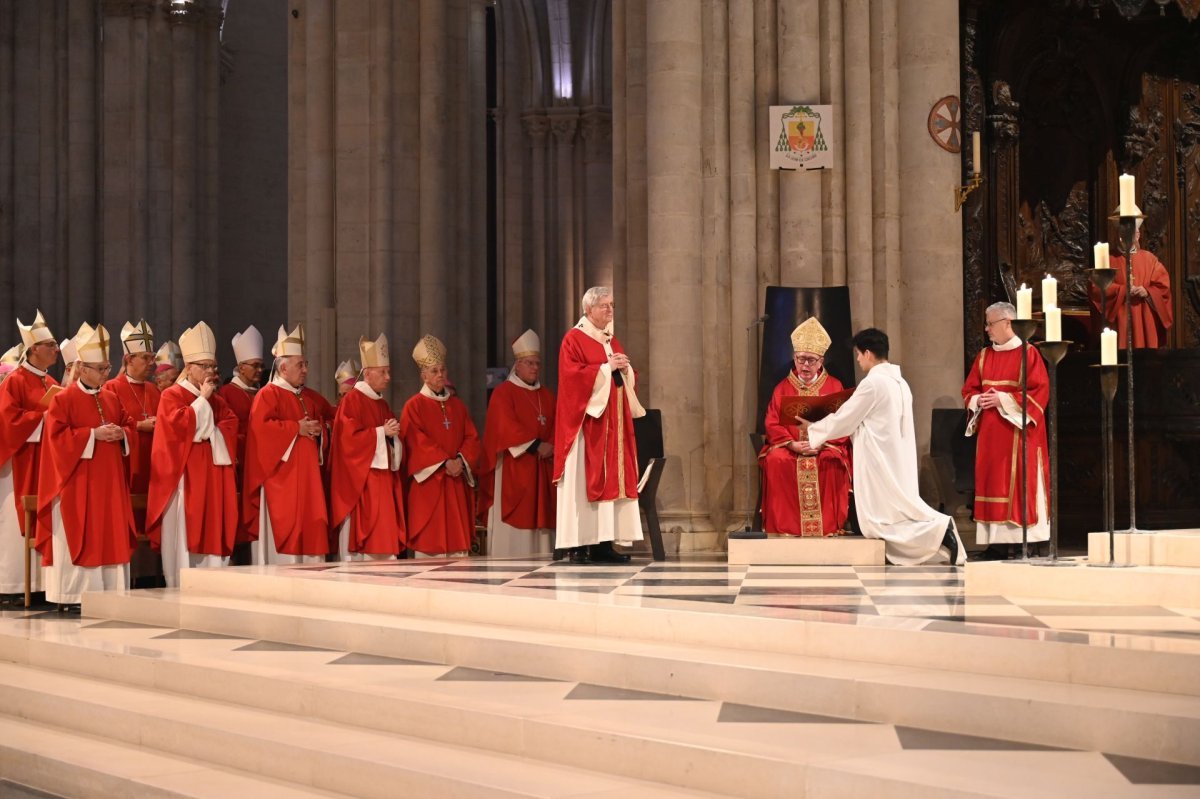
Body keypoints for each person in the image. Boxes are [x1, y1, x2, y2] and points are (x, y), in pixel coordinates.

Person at [799, 328, 964, 566]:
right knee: (895, 512)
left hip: (878, 459)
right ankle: (936, 533)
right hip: (896, 456)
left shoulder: (873, 383)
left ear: (868, 353)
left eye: (858, 354)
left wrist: (814, 428)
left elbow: (845, 418)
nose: (858, 360)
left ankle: (939, 529)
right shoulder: (900, 382)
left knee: (880, 518)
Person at [35, 323, 138, 610]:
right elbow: (56, 439)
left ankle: (111, 593)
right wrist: (93, 435)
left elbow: (129, 425)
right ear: (81, 368)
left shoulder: (111, 397)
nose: (106, 373)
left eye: (107, 368)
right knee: (82, 531)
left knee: (110, 532)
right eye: (101, 368)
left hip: (110, 482)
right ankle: (75, 596)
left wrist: (122, 434)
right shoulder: (63, 399)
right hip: (77, 483)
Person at [553, 286, 645, 565]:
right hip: (586, 428)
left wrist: (625, 370)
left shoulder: (611, 340)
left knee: (611, 483)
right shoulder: (574, 338)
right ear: (588, 309)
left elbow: (623, 379)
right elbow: (571, 377)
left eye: (612, 305)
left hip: (613, 427)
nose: (610, 310)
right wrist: (606, 368)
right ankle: (579, 546)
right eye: (604, 305)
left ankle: (604, 544)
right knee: (583, 483)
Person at [146, 322, 240, 586]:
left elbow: (230, 426)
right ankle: (181, 583)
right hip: (184, 479)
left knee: (213, 525)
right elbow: (177, 429)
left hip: (213, 478)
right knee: (186, 530)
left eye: (213, 367)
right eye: (204, 366)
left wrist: (207, 431)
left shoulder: (218, 401)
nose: (210, 372)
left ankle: (214, 584)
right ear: (188, 368)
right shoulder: (171, 396)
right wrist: (202, 404)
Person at [962, 302, 1050, 560]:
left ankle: (1024, 543)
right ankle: (996, 544)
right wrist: (978, 400)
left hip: (1019, 434)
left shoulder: (1029, 354)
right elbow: (969, 390)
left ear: (1008, 322)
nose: (986, 329)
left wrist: (1003, 399)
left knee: (1019, 484)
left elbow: (1040, 392)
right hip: (989, 435)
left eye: (990, 324)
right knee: (991, 483)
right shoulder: (984, 356)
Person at [242, 324, 332, 564]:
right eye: (300, 365)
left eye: (305, 364)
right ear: (283, 368)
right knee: (286, 534)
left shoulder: (308, 396)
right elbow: (261, 431)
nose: (306, 370)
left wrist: (320, 431)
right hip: (281, 480)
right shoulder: (268, 394)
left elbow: (328, 420)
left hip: (309, 480)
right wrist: (295, 428)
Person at [758, 318, 852, 537]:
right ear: (794, 358)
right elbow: (772, 422)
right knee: (776, 460)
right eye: (801, 359)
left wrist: (820, 443)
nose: (805, 365)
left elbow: (843, 422)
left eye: (811, 360)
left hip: (824, 447)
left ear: (821, 361)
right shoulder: (782, 388)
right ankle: (785, 527)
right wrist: (792, 444)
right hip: (792, 448)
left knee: (833, 460)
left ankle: (828, 525)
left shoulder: (834, 386)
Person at [399, 334, 481, 558]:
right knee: (430, 551)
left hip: (455, 482)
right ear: (423, 375)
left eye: (443, 370)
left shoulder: (458, 406)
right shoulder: (413, 406)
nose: (440, 374)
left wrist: (460, 461)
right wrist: (445, 462)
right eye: (434, 371)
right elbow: (415, 441)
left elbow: (472, 437)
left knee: (458, 552)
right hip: (430, 485)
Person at [480, 329, 556, 557]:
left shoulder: (547, 395)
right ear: (518, 365)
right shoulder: (503, 393)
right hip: (515, 467)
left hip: (543, 467)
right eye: (529, 363)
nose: (535, 368)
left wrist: (551, 445)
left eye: (537, 363)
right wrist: (536, 445)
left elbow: (558, 424)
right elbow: (504, 426)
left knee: (543, 520)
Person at [329, 334, 406, 561]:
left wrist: (392, 437)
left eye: (388, 371)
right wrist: (382, 433)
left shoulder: (382, 403)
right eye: (383, 372)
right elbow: (348, 441)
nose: (388, 377)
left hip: (382, 481)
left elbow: (390, 437)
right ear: (368, 373)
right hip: (362, 483)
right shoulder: (352, 401)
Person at [0, 313, 59, 600]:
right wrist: (42, 418)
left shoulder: (52, 381)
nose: (56, 349)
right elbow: (8, 421)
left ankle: (42, 585)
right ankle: (13, 587)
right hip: (21, 460)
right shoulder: (14, 381)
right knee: (16, 523)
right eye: (50, 345)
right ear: (34, 348)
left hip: (46, 460)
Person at [1089, 218, 1173, 348]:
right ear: (1118, 234)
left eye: (1130, 233)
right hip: (1120, 318)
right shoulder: (1107, 260)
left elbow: (1163, 287)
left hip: (1144, 318)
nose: (1125, 237)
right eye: (1122, 232)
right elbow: (1096, 288)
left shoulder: (1150, 260)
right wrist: (1122, 290)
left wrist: (1147, 292)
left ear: (1138, 235)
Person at [104, 320, 160, 507]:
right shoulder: (111, 388)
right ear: (129, 359)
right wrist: (139, 425)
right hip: (126, 463)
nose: (151, 363)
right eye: (145, 358)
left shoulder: (154, 390)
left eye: (152, 358)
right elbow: (107, 428)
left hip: (154, 464)